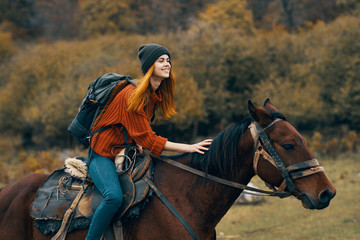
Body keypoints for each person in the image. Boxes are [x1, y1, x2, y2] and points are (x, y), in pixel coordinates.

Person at [85, 43, 212, 240]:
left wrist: (135, 141)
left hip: (124, 151)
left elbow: (137, 131)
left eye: (168, 60)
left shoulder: (153, 95)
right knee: (113, 197)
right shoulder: (132, 95)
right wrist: (189, 147)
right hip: (102, 155)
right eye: (161, 60)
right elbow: (149, 139)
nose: (167, 64)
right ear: (149, 66)